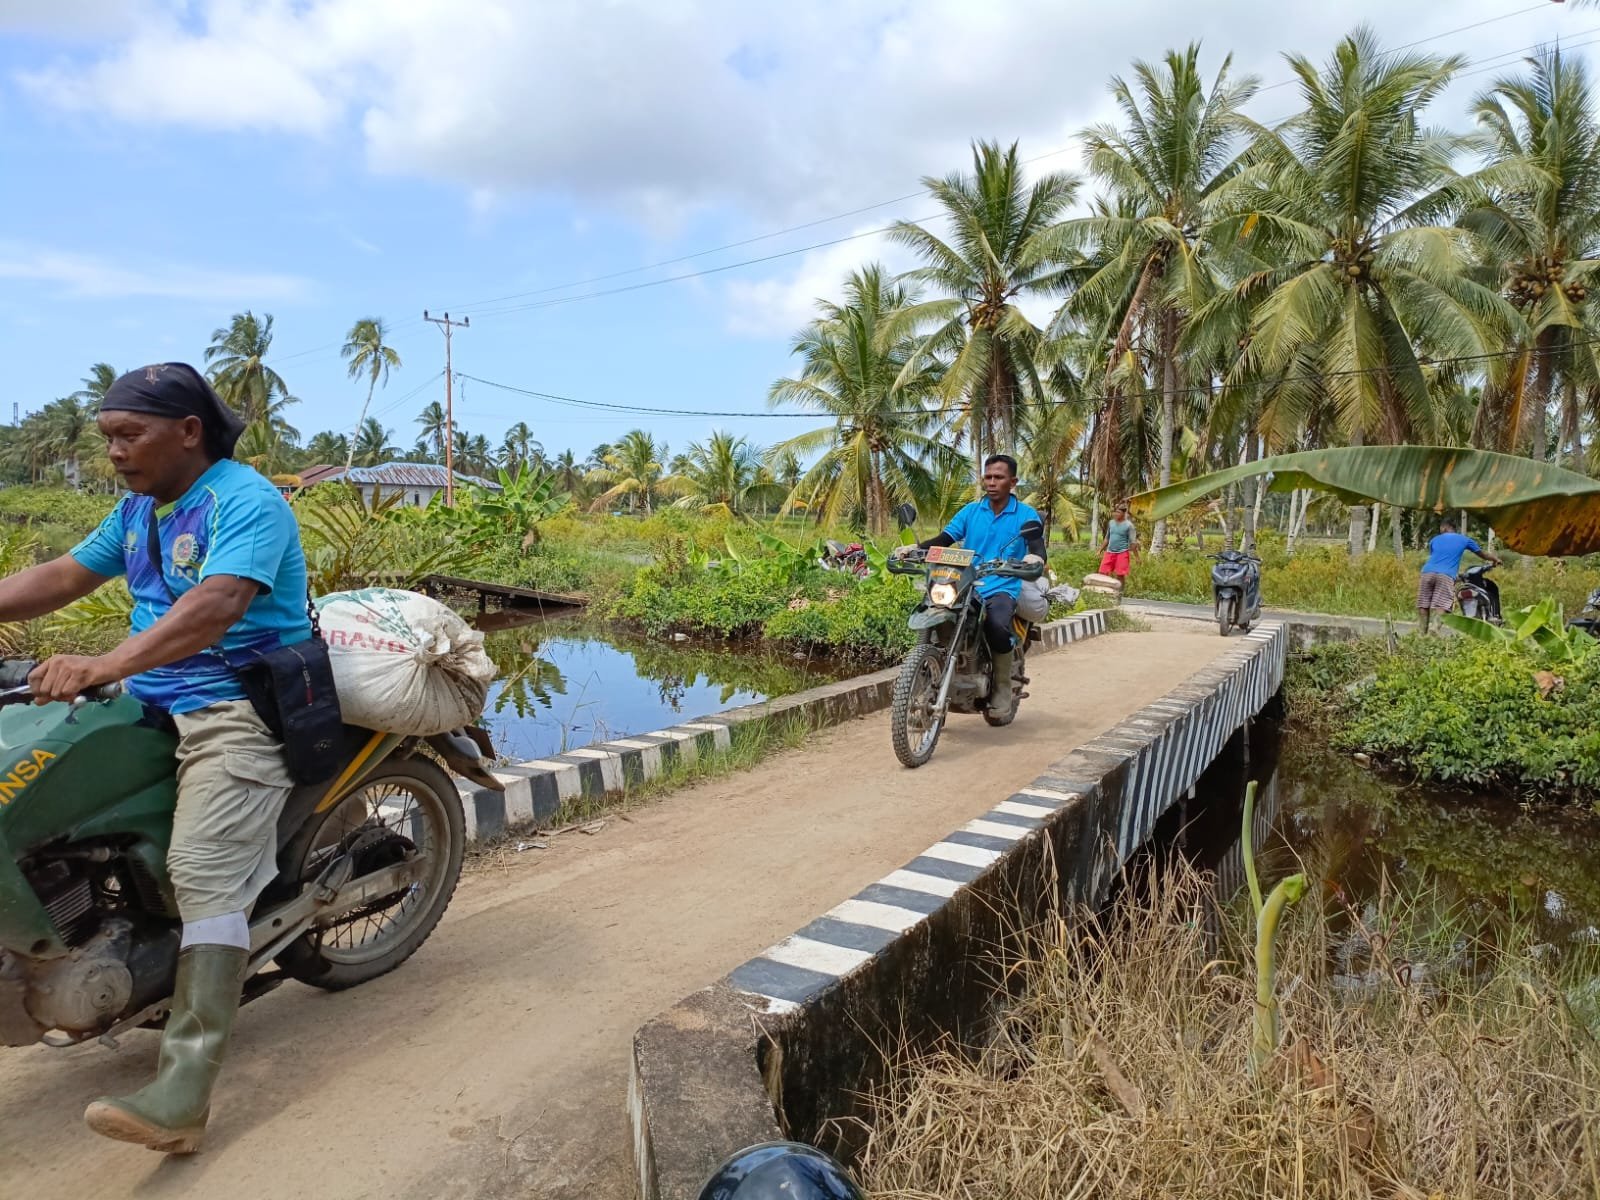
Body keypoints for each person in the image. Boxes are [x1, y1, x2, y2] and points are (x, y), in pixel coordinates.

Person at [0, 362, 312, 1153]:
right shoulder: (139, 510)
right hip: (146, 698)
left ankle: (183, 1093)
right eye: (107, 437)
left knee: (204, 875)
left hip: (234, 708)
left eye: (129, 435)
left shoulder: (247, 501)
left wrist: (104, 663)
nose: (114, 451)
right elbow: (63, 575)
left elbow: (216, 605)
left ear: (189, 431)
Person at [893, 454, 1044, 721]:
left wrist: (1034, 558)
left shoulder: (1026, 515)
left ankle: (1002, 689)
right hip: (964, 583)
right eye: (988, 477)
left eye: (999, 477)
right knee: (933, 615)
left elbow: (1036, 546)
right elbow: (945, 539)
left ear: (1013, 482)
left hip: (1000, 585)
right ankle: (924, 694)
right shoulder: (971, 511)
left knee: (997, 625)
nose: (992, 482)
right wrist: (915, 549)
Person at [1417, 517, 1500, 635]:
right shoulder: (1464, 539)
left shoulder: (1434, 540)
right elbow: (1483, 554)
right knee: (1443, 604)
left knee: (1423, 603)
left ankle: (1421, 633)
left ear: (1444, 527)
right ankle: (1434, 629)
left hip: (1427, 572)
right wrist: (1495, 559)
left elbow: (1436, 557)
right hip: (1445, 575)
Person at [1099, 504, 1138, 582]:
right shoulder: (1111, 523)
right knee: (1103, 572)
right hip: (1110, 552)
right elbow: (1107, 538)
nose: (1115, 514)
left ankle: (1120, 590)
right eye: (1114, 512)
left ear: (1124, 513)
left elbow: (1133, 543)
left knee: (1120, 575)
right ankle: (1106, 588)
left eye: (1118, 512)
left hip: (1122, 552)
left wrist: (1137, 557)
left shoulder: (1129, 525)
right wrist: (1100, 550)